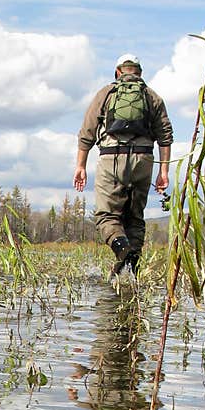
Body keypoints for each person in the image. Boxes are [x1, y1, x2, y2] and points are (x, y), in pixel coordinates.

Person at [73, 53, 173, 279]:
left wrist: (81, 165)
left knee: (106, 216)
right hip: (144, 160)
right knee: (135, 217)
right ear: (139, 72)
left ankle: (123, 250)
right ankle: (131, 271)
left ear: (118, 72)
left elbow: (87, 132)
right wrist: (163, 171)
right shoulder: (152, 96)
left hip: (111, 158)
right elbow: (165, 136)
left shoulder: (106, 93)